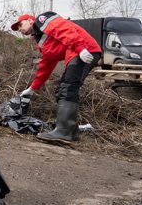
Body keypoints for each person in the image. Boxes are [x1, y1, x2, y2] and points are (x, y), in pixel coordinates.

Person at [11, 12, 101, 145]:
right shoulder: (41, 39)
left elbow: (64, 29)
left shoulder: (42, 20)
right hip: (78, 50)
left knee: (68, 87)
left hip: (84, 50)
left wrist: (80, 48)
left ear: (30, 20)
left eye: (20, 24)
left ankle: (65, 131)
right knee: (62, 89)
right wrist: (32, 88)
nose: (20, 29)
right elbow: (46, 65)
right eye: (18, 28)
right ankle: (69, 130)